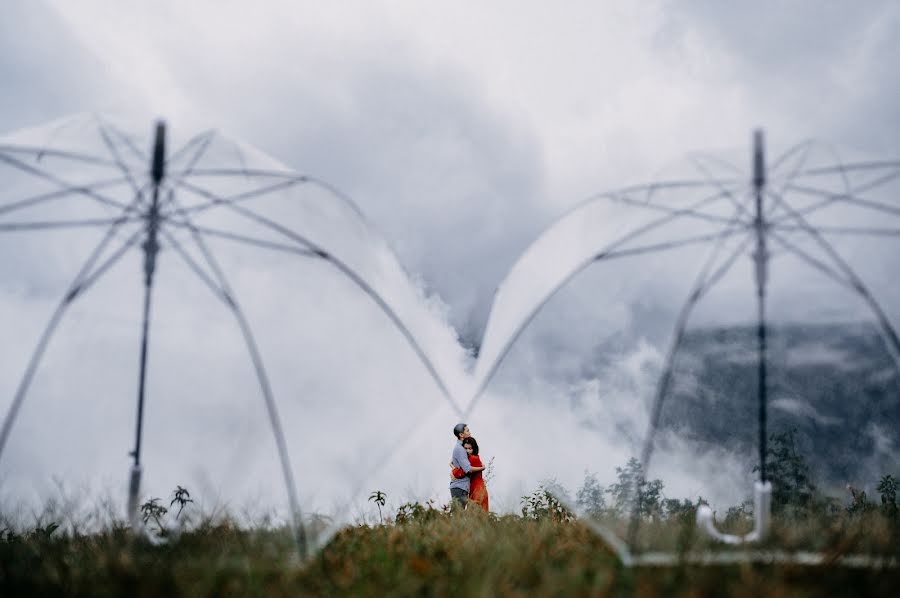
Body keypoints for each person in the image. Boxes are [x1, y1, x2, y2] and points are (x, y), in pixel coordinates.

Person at [451, 436, 489, 512]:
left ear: (474, 448)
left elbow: (459, 473)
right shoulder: (475, 457)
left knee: (473, 516)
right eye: (465, 448)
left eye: (470, 448)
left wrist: (452, 467)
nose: (467, 451)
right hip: (479, 489)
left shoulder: (472, 458)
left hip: (477, 490)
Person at [449, 423, 483, 506]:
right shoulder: (460, 449)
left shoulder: (462, 447)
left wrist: (453, 470)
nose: (470, 432)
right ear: (461, 434)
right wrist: (482, 468)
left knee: (458, 514)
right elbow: (468, 469)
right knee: (457, 515)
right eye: (467, 431)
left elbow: (452, 462)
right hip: (459, 487)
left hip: (461, 487)